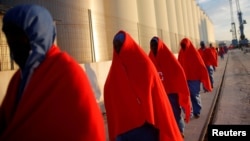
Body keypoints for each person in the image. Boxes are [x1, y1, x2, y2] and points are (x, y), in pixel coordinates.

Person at [0, 4, 106, 141]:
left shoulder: (66, 72)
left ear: (38, 36)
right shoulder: (19, 78)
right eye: (10, 40)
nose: (13, 46)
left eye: (20, 39)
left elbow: (89, 128)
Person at [104, 30, 183, 141]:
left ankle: (181, 127)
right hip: (143, 128)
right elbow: (159, 99)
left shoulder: (112, 78)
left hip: (126, 131)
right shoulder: (145, 66)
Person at [148, 37, 191, 137]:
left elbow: (178, 71)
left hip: (171, 91)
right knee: (162, 114)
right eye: (152, 46)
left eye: (155, 45)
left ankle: (180, 130)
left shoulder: (167, 56)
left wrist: (178, 85)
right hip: (159, 92)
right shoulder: (150, 58)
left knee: (175, 112)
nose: (153, 48)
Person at [178, 38, 212, 119]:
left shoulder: (194, 53)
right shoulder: (181, 53)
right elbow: (178, 65)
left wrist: (202, 77)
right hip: (185, 78)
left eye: (184, 45)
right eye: (182, 46)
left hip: (194, 79)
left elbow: (201, 65)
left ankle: (197, 111)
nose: (183, 47)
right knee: (184, 96)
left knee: (195, 95)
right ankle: (189, 112)